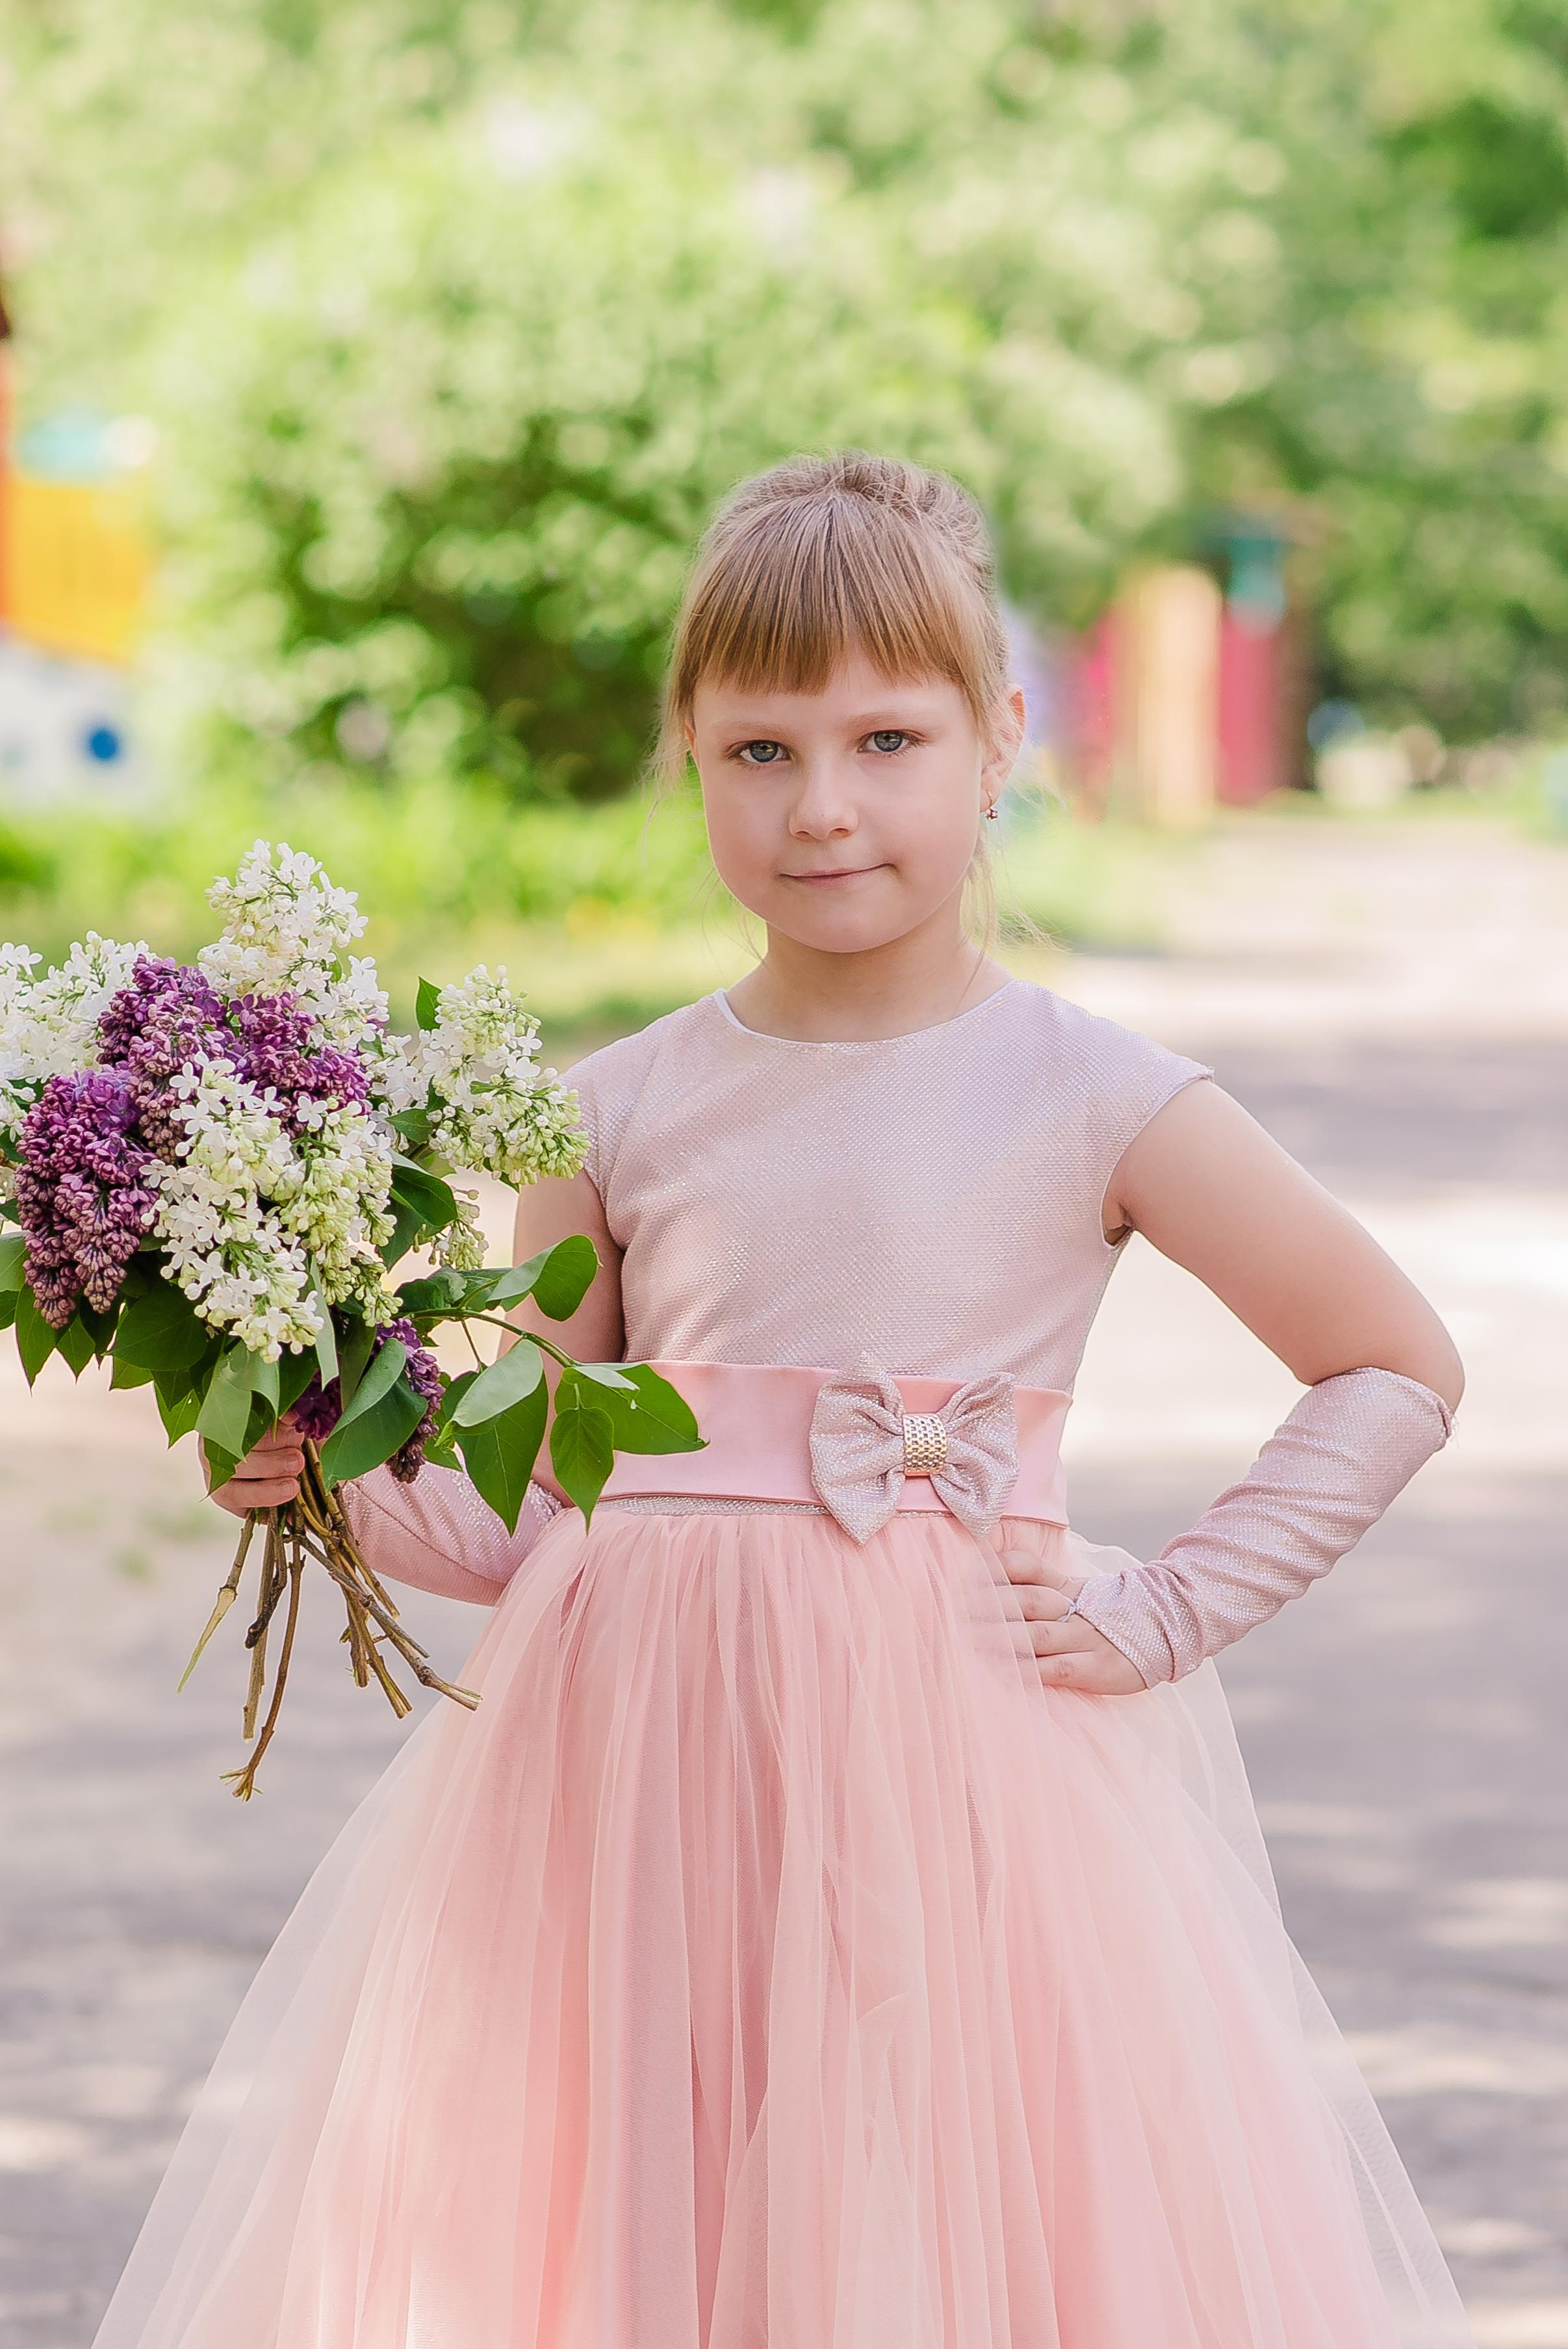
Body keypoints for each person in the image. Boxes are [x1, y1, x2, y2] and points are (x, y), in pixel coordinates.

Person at [94, 451, 1475, 2347]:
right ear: (689, 751)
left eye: (886, 739)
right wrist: (325, 1458)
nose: (823, 807)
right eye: (759, 751)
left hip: (958, 1774)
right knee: (650, 2214)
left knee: (920, 2208)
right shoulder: (608, 1112)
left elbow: (1394, 1360)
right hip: (626, 1763)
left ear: (1001, 740)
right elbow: (534, 1506)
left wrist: (1171, 1608)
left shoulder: (1099, 1094)